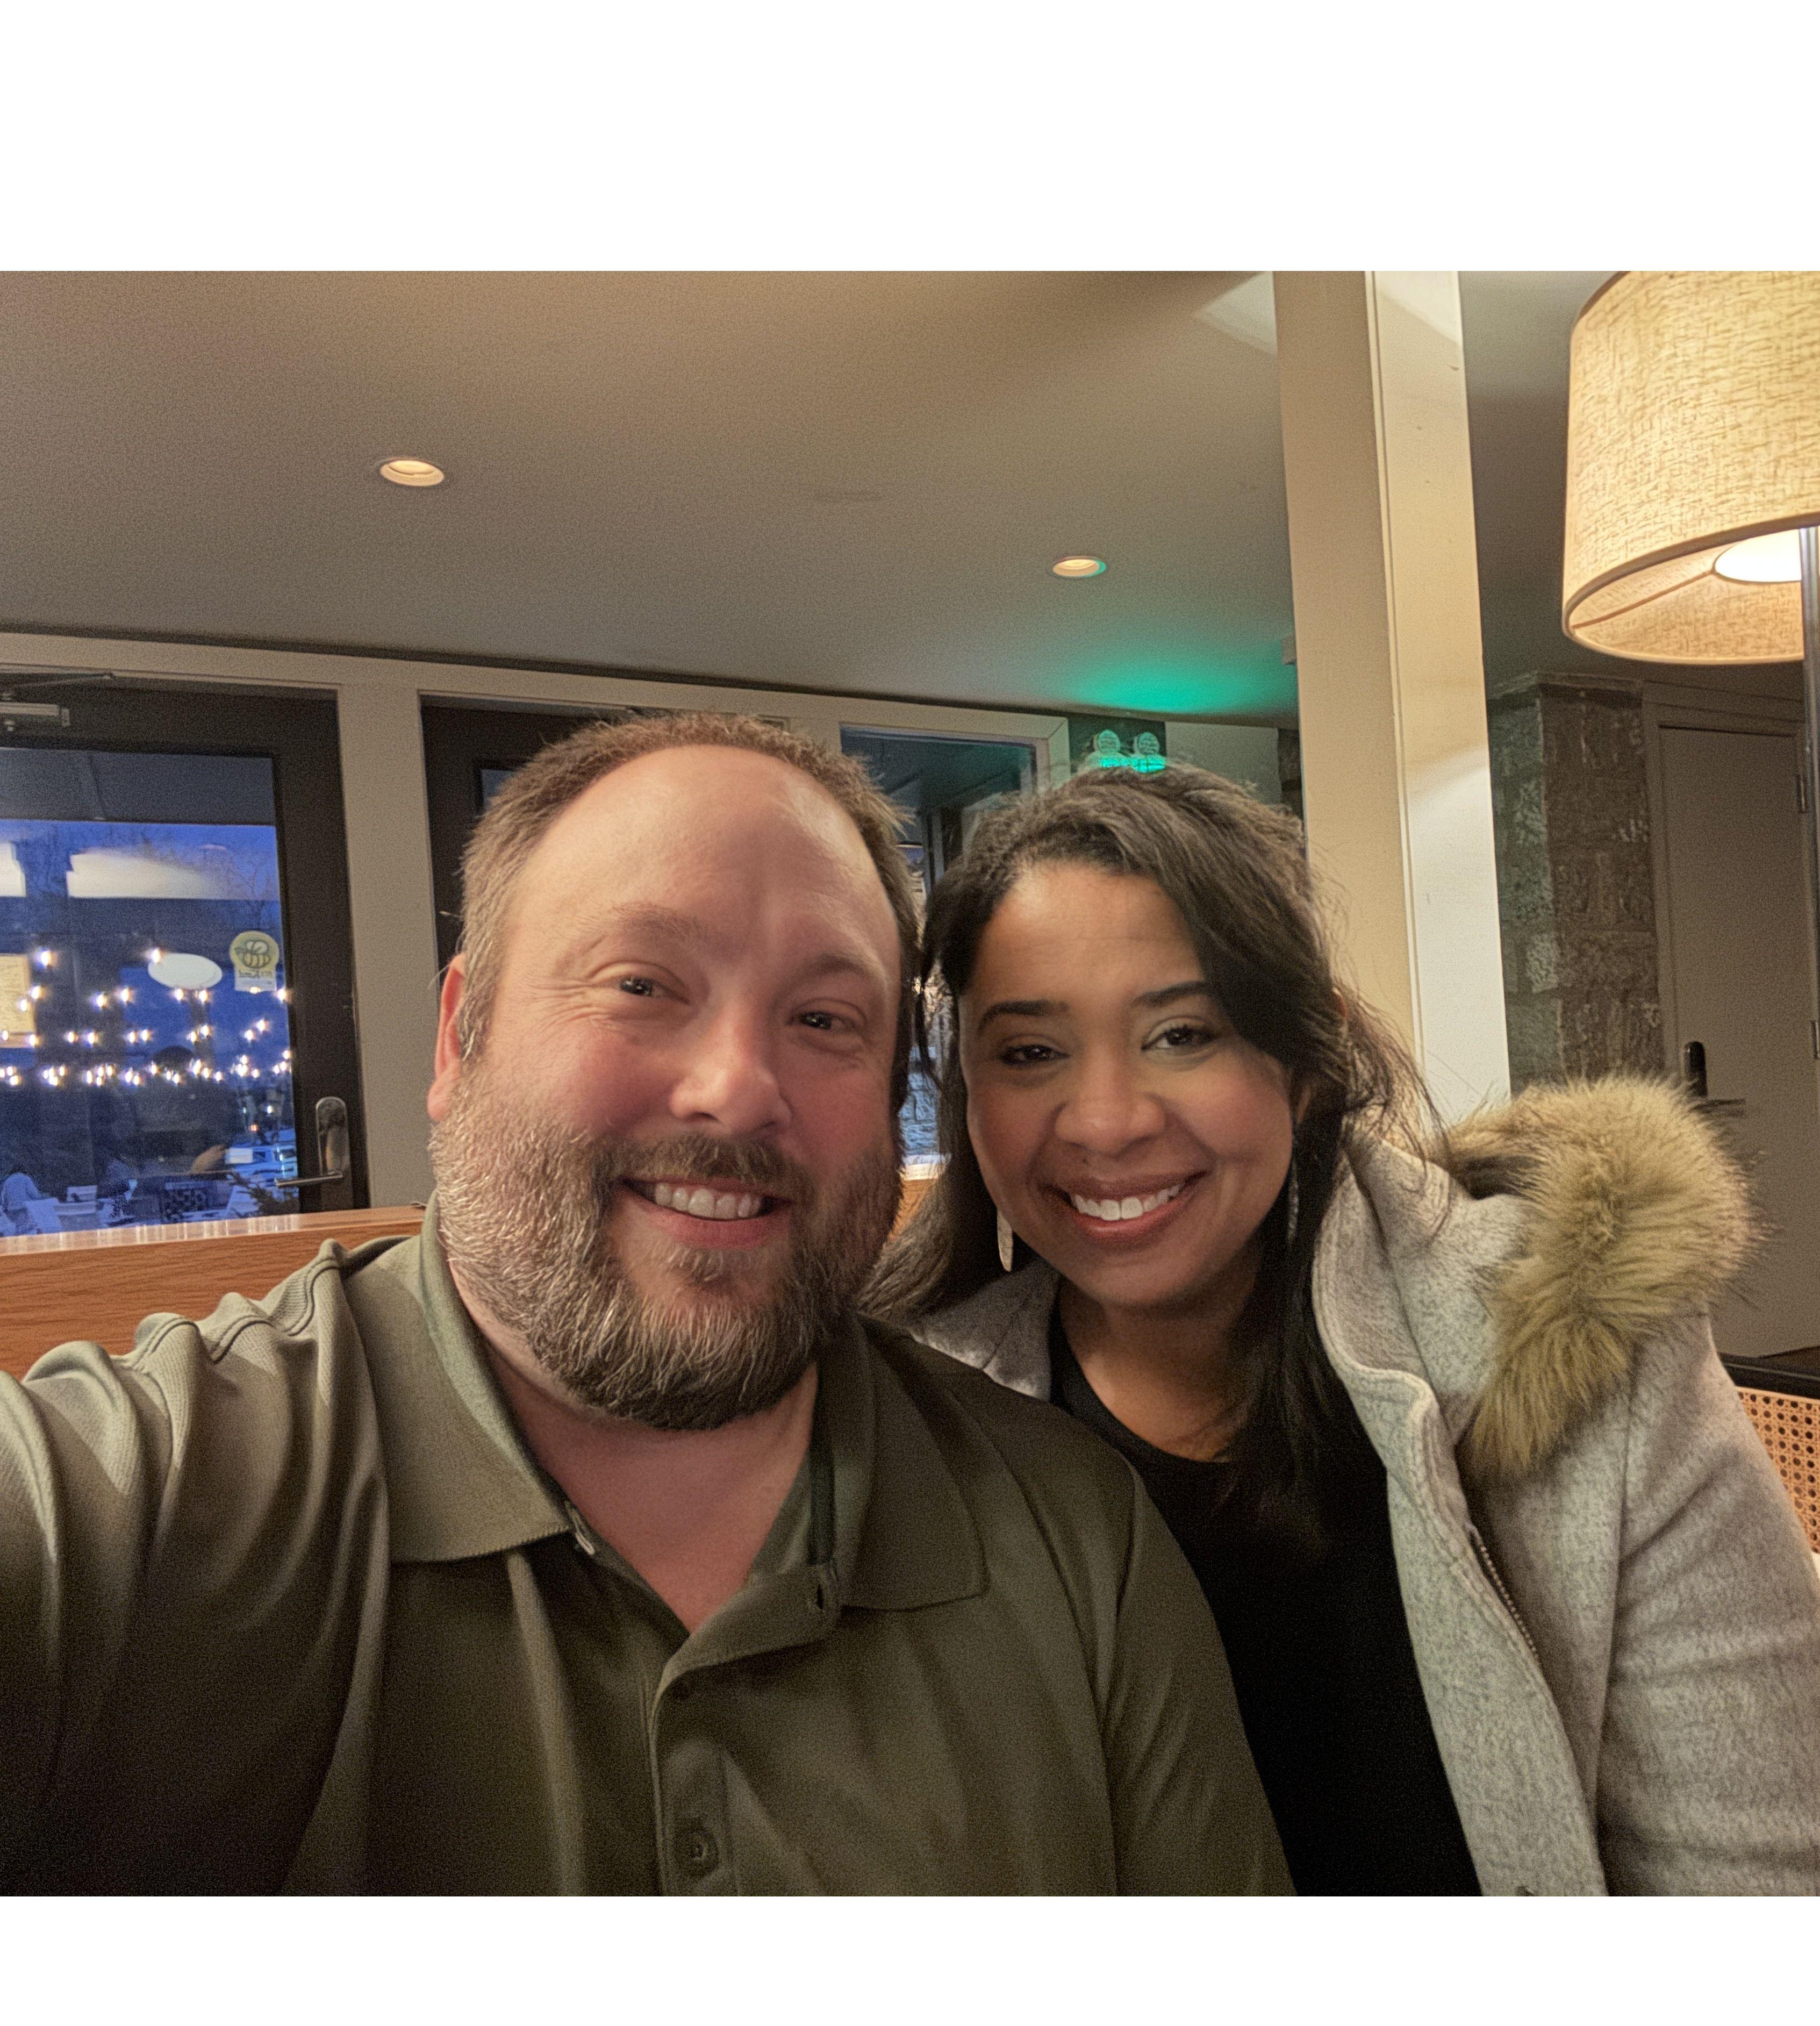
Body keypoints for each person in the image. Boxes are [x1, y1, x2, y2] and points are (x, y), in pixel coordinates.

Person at [0, 714, 1288, 1896]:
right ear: (459, 1036)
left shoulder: (1075, 1536)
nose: (737, 1086)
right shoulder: (145, 1501)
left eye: (824, 1017)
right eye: (641, 984)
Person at [876, 762, 1820, 1895]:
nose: (1108, 1121)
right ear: (966, 1093)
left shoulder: (1566, 1344)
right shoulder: (905, 1427)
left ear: (1306, 1064)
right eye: (1031, 1052)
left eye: (1183, 1033)